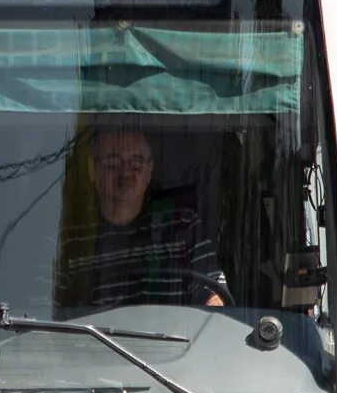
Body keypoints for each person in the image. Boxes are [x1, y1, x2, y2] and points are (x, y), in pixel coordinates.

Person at [54, 125, 225, 311]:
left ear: (149, 170)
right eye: (113, 162)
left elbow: (214, 295)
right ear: (92, 169)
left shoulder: (183, 226)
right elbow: (44, 315)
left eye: (136, 162)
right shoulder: (68, 241)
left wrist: (213, 303)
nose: (126, 173)